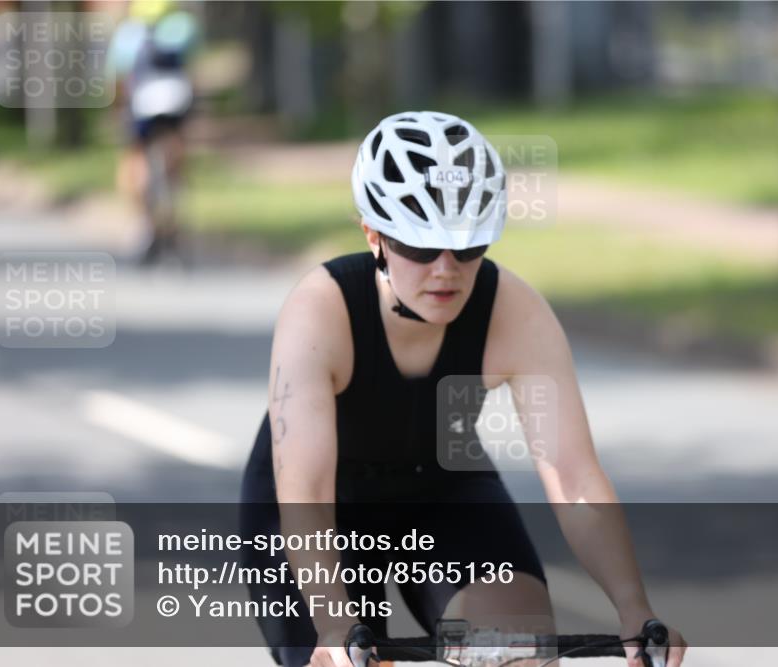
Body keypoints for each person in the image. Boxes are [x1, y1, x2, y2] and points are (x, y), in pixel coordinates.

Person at [240, 111, 686, 667]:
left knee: (515, 647)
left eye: (469, 246)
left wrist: (633, 608)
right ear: (373, 235)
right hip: (318, 506)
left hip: (442, 489)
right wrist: (335, 627)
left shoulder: (514, 313)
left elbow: (572, 476)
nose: (446, 269)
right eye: (422, 248)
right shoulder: (320, 310)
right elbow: (305, 488)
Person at [107, 0, 197, 264]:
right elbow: (193, 69)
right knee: (175, 157)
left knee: (137, 157)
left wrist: (116, 112)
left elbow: (118, 77)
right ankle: (174, 215)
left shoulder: (129, 31)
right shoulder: (184, 26)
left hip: (143, 103)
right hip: (176, 99)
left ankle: (145, 225)